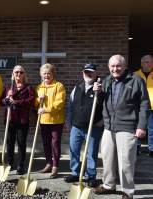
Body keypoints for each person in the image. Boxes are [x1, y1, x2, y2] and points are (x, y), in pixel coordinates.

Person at [93, 55, 150, 199]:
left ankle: (128, 191)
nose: (115, 69)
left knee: (126, 162)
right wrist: (97, 93)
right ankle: (108, 185)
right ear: (108, 67)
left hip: (127, 126)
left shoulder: (136, 80)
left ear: (124, 66)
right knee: (107, 159)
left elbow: (144, 104)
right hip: (109, 126)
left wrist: (141, 126)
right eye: (112, 66)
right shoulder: (106, 81)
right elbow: (99, 103)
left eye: (118, 66)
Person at [63, 63, 103, 187]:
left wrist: (102, 121)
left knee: (91, 153)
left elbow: (106, 106)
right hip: (76, 126)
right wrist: (69, 122)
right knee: (73, 150)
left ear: (96, 73)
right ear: (83, 73)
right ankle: (75, 173)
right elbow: (70, 105)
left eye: (91, 72)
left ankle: (91, 176)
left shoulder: (101, 88)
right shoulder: (77, 87)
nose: (88, 74)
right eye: (86, 72)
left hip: (93, 127)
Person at [1, 65, 34, 175]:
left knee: (21, 143)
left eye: (21, 72)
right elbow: (1, 102)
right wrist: (7, 97)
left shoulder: (28, 87)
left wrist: (17, 102)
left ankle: (20, 165)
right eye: (16, 72)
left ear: (24, 74)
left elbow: (31, 101)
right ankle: (9, 163)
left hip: (22, 119)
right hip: (10, 118)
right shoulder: (8, 87)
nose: (18, 74)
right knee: (10, 142)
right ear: (13, 74)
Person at [35, 63, 66, 178]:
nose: (47, 76)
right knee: (46, 143)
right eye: (44, 74)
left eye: (49, 73)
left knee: (55, 144)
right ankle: (48, 163)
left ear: (53, 74)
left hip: (56, 121)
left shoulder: (59, 86)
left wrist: (46, 109)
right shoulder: (39, 87)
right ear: (41, 75)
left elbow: (59, 104)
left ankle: (55, 166)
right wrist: (39, 99)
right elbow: (35, 104)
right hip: (43, 121)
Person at [134, 55, 153, 157]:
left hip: (152, 107)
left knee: (152, 129)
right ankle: (136, 147)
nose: (148, 64)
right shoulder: (135, 75)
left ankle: (152, 149)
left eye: (150, 62)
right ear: (141, 63)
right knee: (138, 127)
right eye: (146, 62)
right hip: (139, 107)